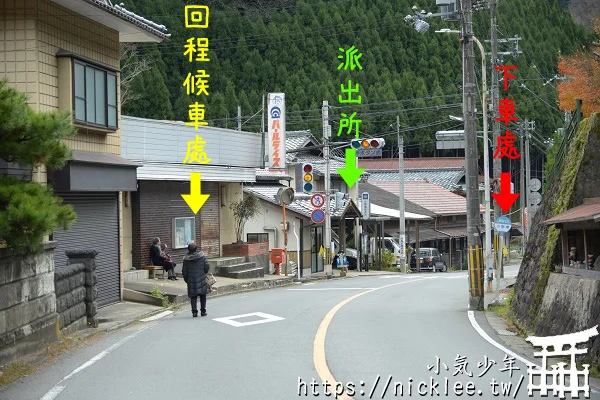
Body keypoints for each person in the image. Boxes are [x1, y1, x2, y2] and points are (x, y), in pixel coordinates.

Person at [182, 241, 210, 317]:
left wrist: (186, 279)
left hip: (191, 280)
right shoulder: (202, 257)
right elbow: (207, 266)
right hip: (202, 278)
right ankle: (203, 311)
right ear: (196, 249)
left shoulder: (186, 259)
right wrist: (204, 272)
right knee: (203, 295)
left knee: (193, 296)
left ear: (188, 249)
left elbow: (184, 271)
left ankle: (194, 312)